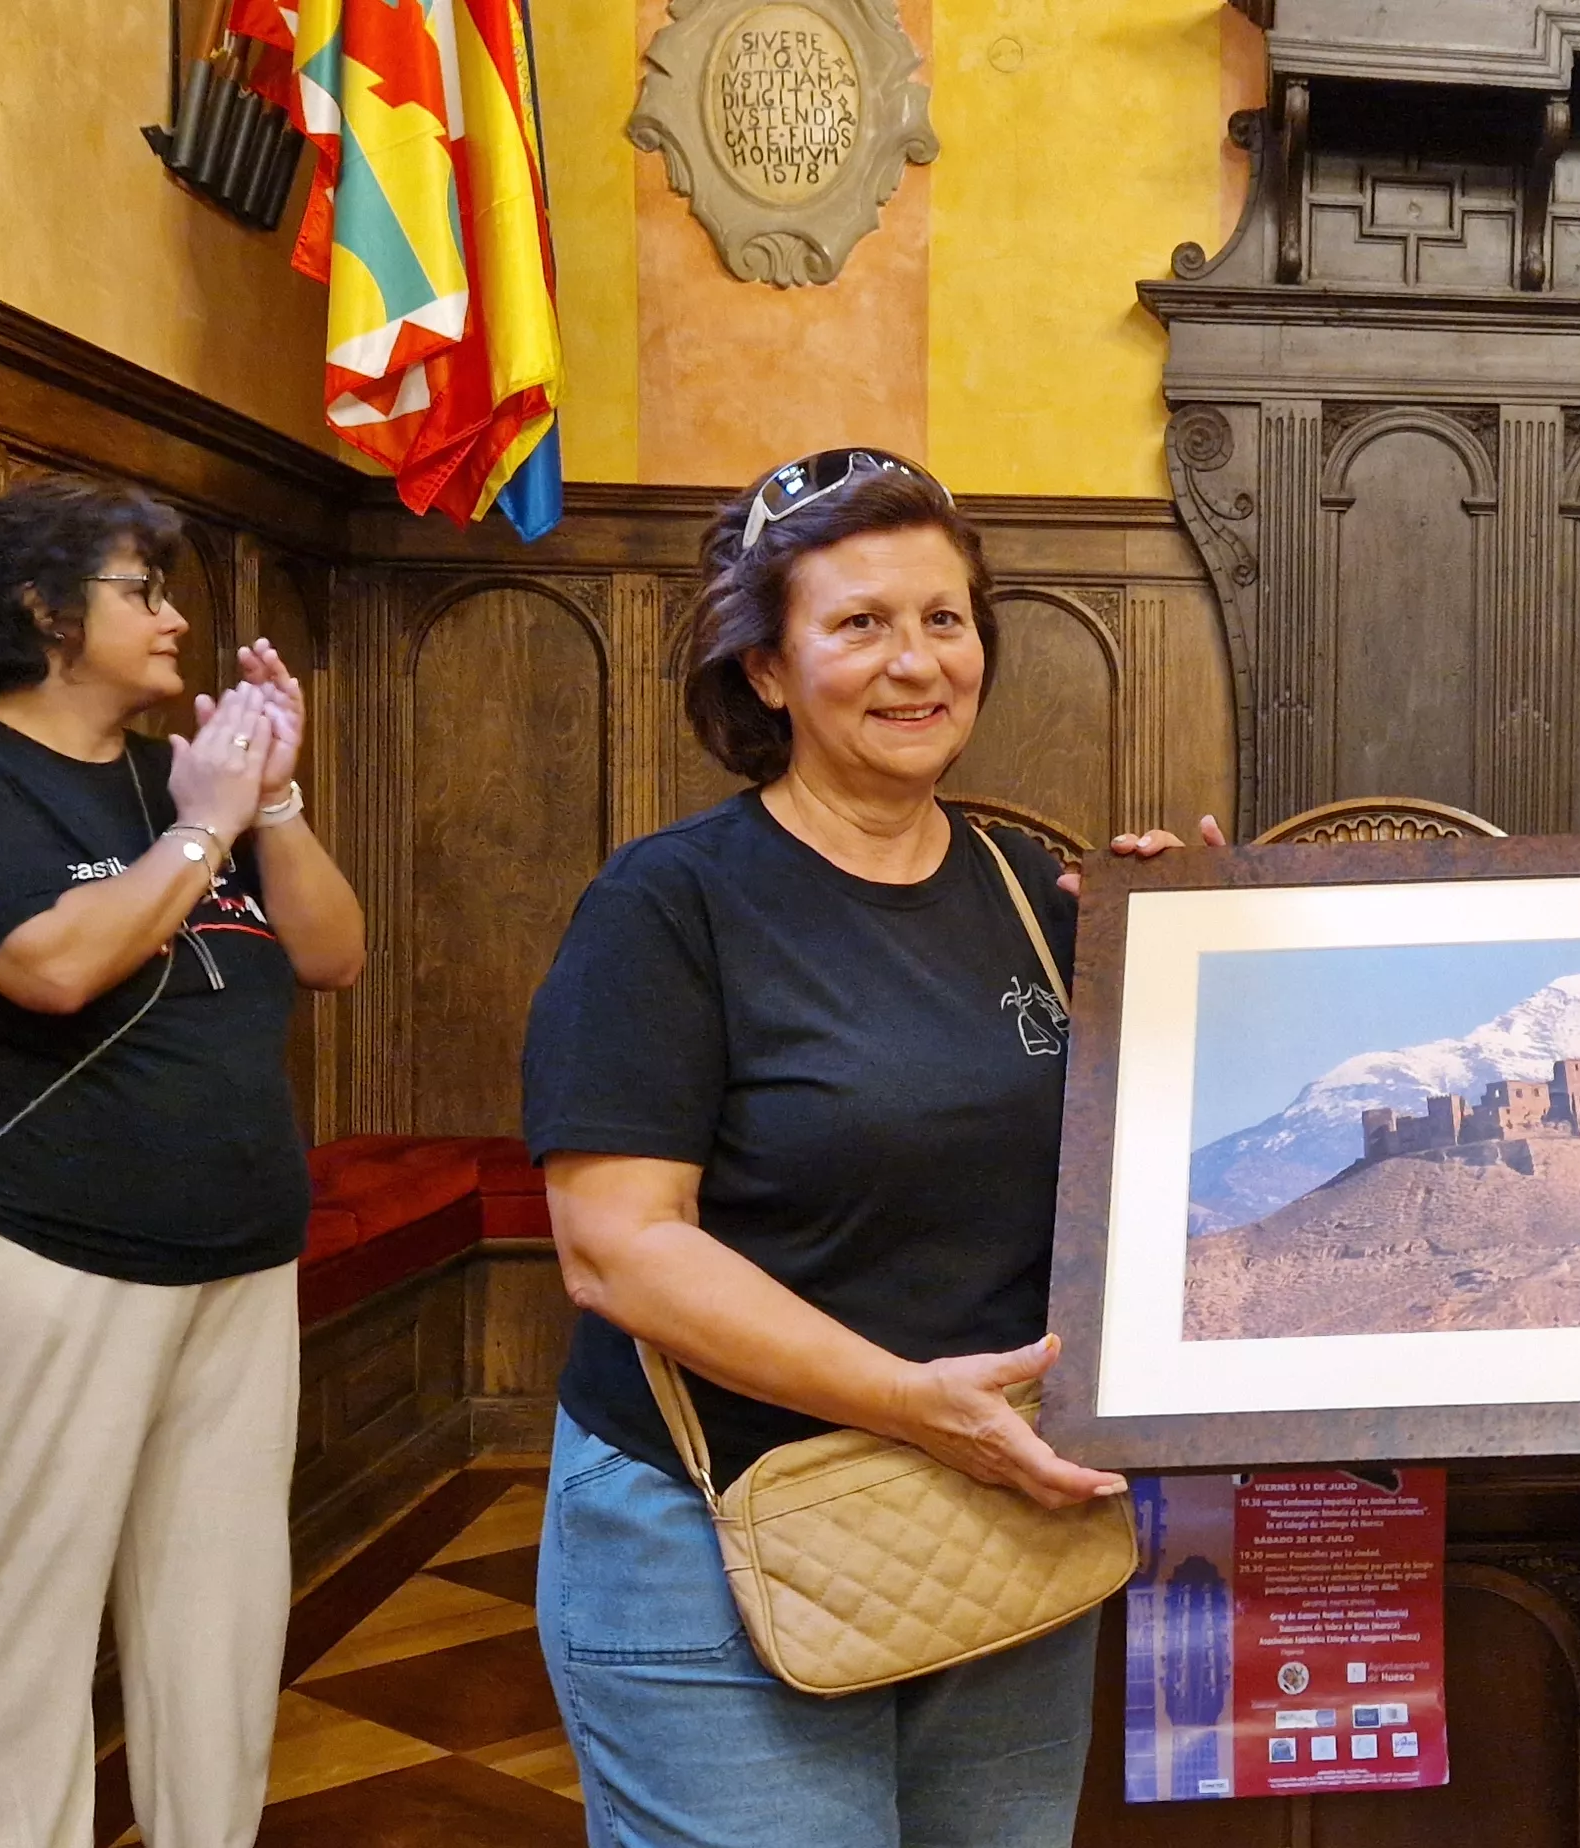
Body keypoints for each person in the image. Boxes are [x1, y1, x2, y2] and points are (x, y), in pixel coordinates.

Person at [521, 449, 1209, 1845]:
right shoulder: (671, 906)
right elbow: (618, 1249)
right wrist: (909, 1400)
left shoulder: (1040, 898)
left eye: (944, 620)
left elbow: (1163, 1168)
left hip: (1004, 1517)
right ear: (767, 672)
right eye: (860, 624)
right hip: (719, 1529)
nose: (916, 663)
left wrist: (1202, 941)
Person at [0, 476, 364, 1848]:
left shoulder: (170, 775)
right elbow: (55, 967)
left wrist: (276, 796)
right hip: (24, 1246)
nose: (178, 617)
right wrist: (202, 830)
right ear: (41, 612)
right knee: (15, 1634)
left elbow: (331, 955)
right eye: (144, 590)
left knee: (218, 1625)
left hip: (230, 1253)